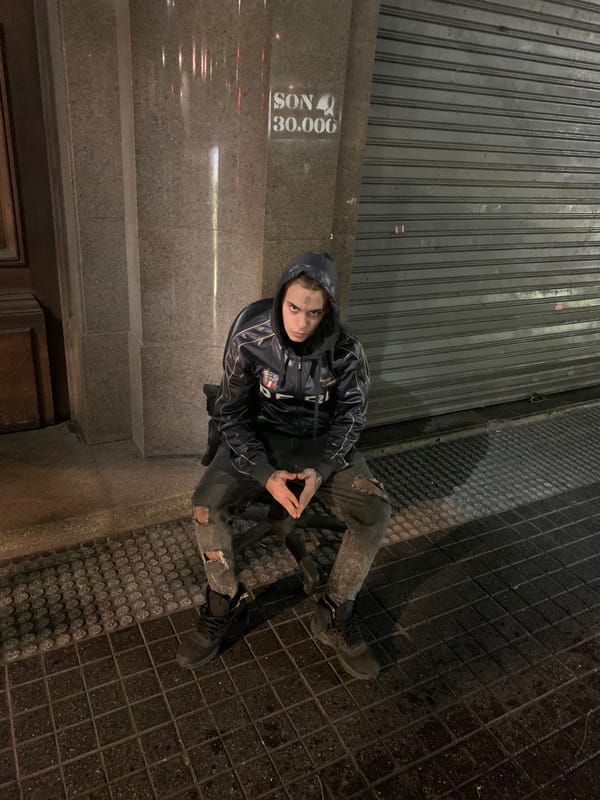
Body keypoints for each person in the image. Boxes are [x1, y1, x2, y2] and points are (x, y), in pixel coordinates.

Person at [176, 251, 391, 679]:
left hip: (321, 448)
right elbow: (230, 415)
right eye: (293, 308)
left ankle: (335, 612)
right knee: (205, 506)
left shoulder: (348, 353)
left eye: (313, 312)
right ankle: (224, 602)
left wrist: (323, 470)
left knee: (375, 509)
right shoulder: (249, 342)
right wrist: (263, 473)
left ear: (327, 310)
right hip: (258, 444)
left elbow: (352, 418)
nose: (300, 322)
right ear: (280, 301)